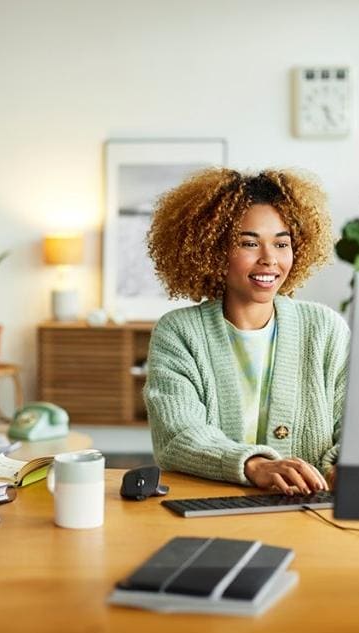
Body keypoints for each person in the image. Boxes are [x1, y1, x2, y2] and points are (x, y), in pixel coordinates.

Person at [143, 168, 347, 495]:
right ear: (213, 250)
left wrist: (344, 466)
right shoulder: (179, 332)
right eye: (249, 243)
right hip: (211, 508)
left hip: (313, 512)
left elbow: (354, 426)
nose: (270, 259)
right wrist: (255, 465)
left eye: (282, 244)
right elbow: (177, 435)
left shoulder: (324, 328)